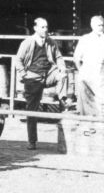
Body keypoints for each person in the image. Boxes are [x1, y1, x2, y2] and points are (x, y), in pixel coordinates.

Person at [16, 17, 71, 150]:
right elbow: (18, 60)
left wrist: (62, 67)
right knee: (32, 110)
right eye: (42, 27)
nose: (45, 30)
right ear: (35, 28)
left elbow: (58, 57)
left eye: (46, 27)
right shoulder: (27, 43)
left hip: (47, 75)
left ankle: (62, 99)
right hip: (33, 78)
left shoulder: (51, 42)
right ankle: (32, 140)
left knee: (63, 75)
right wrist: (24, 75)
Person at [73, 15, 104, 116]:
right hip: (88, 75)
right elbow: (76, 58)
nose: (101, 28)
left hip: (101, 75)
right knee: (88, 106)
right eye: (98, 25)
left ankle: (103, 127)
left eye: (102, 25)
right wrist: (81, 72)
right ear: (92, 26)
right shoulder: (85, 39)